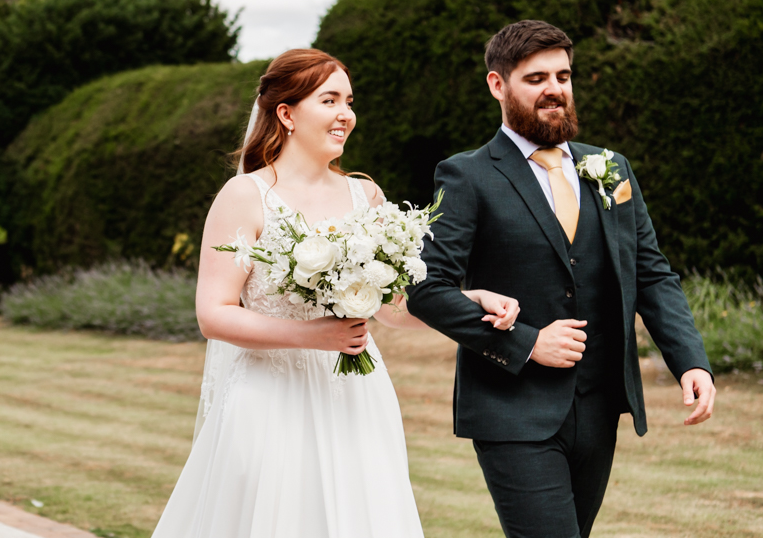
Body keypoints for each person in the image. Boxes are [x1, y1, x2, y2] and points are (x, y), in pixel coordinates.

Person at [151, 48, 520, 538]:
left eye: (349, 100)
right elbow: (213, 316)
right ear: (286, 113)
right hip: (269, 399)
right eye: (329, 100)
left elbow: (392, 307)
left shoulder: (364, 195)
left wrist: (465, 300)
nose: (345, 114)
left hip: (355, 396)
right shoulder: (245, 196)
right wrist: (311, 336)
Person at [406, 20, 716, 538]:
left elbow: (652, 274)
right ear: (497, 85)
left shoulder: (610, 168)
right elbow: (426, 289)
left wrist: (690, 360)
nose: (554, 89)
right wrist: (527, 342)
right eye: (535, 78)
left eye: (563, 75)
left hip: (599, 407)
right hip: (512, 408)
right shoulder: (467, 176)